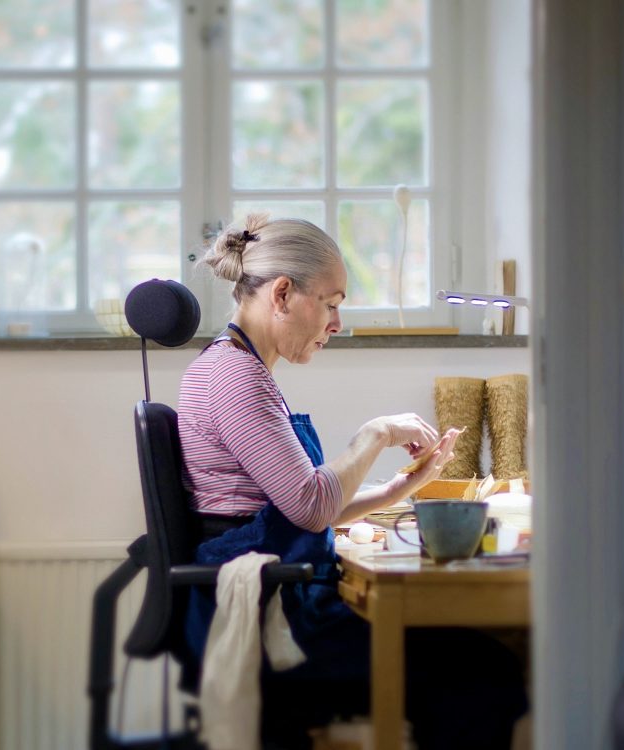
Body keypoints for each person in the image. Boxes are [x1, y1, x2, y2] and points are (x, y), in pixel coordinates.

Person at [177, 214, 528, 749]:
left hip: (278, 595)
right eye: (333, 303)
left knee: (476, 661)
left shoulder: (239, 369)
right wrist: (375, 433)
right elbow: (310, 506)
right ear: (284, 294)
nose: (337, 323)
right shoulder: (236, 379)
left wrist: (399, 489)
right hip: (274, 618)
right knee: (482, 672)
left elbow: (294, 509)